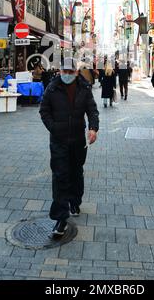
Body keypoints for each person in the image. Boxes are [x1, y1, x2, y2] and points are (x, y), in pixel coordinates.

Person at [39, 57, 99, 236]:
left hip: (78, 139)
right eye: (64, 71)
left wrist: (93, 128)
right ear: (59, 71)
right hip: (58, 140)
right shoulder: (52, 88)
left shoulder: (84, 87)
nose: (66, 75)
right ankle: (61, 218)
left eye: (70, 72)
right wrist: (53, 127)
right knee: (60, 176)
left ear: (76, 72)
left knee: (76, 171)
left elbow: (92, 110)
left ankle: (75, 201)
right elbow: (44, 110)